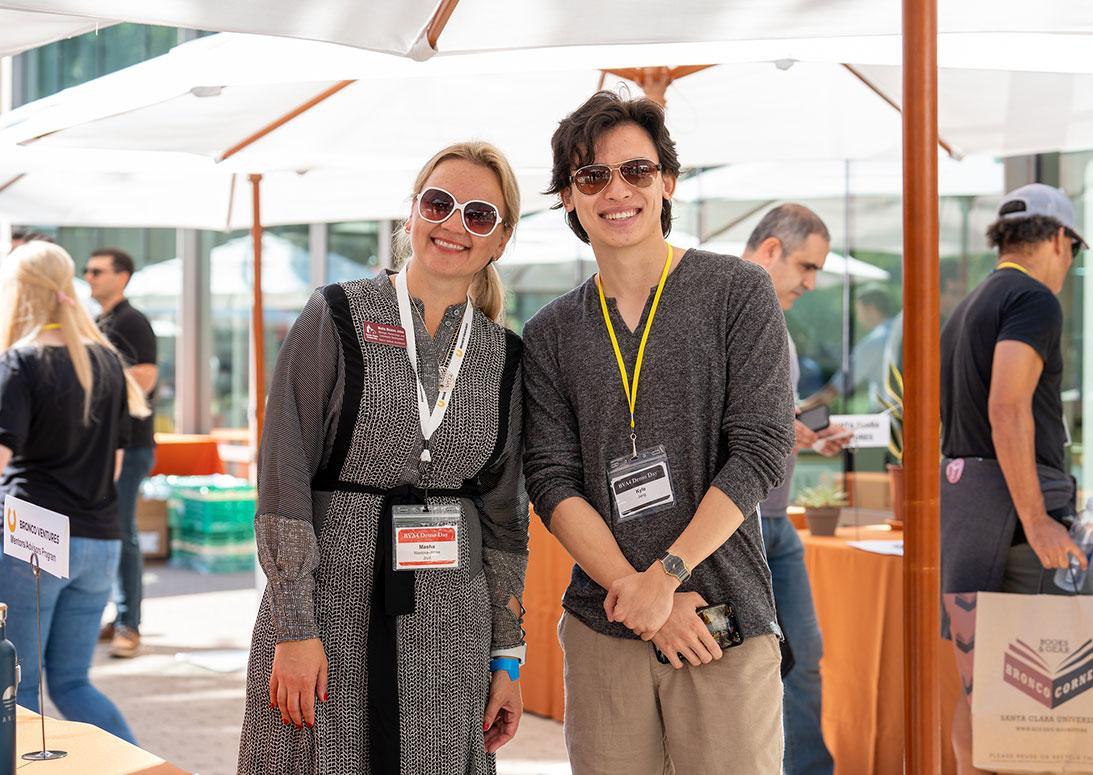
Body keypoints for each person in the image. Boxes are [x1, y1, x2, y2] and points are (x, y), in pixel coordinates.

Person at [523, 91, 795, 774]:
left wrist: (667, 575)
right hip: (603, 623)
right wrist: (641, 595)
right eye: (592, 176)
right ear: (568, 198)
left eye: (636, 171)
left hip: (722, 619)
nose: (617, 191)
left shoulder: (738, 293)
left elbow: (760, 447)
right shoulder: (551, 333)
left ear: (668, 182)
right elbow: (550, 479)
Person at [236, 141, 529, 775]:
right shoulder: (335, 315)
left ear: (500, 240)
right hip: (329, 607)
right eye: (439, 203)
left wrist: (507, 656)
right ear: (412, 215)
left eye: (479, 215)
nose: (454, 224)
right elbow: (283, 477)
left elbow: (506, 518)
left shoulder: (506, 357)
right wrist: (292, 623)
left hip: (450, 625)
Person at [939, 184, 1093, 775]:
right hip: (1017, 518)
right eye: (1074, 251)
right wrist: (1037, 519)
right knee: (1054, 693)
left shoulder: (970, 305)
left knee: (981, 681)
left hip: (968, 513)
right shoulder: (1033, 298)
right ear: (1060, 239)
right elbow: (1007, 408)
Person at [0, 240, 149, 742]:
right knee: (70, 682)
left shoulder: (21, 363)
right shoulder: (108, 365)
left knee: (14, 688)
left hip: (33, 543)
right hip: (98, 542)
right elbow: (113, 469)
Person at [741, 203, 851, 775]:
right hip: (742, 524)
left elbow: (760, 424)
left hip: (776, 521)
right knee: (755, 665)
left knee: (803, 658)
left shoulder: (772, 322)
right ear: (769, 251)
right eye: (806, 267)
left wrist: (804, 437)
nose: (811, 282)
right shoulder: (729, 309)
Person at [87, 248, 158, 659]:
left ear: (123, 277)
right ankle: (121, 615)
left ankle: (131, 624)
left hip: (130, 445)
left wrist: (90, 380)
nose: (89, 277)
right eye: (87, 271)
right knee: (113, 528)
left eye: (97, 271)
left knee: (124, 531)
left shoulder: (133, 322)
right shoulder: (100, 321)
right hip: (107, 445)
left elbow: (145, 380)